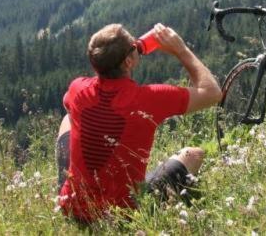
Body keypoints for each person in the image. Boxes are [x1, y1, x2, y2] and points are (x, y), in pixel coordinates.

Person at [56, 22, 222, 223]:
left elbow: (69, 106)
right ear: (128, 62)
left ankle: (73, 186)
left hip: (73, 207)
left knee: (68, 119)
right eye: (134, 46)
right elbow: (212, 93)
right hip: (120, 215)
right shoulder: (149, 98)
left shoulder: (78, 88)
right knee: (194, 155)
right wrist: (181, 49)